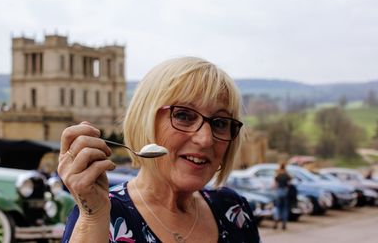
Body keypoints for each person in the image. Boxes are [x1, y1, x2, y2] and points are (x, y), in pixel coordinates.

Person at [58, 57, 261, 242]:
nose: (205, 139)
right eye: (183, 115)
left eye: (220, 123)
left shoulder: (232, 209)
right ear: (144, 120)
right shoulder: (103, 214)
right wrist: (93, 218)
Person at [273, 161, 291, 230]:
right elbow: (289, 183)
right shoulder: (287, 175)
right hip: (285, 192)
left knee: (277, 207)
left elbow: (275, 185)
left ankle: (276, 222)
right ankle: (284, 224)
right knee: (284, 208)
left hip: (279, 192)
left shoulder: (278, 174)